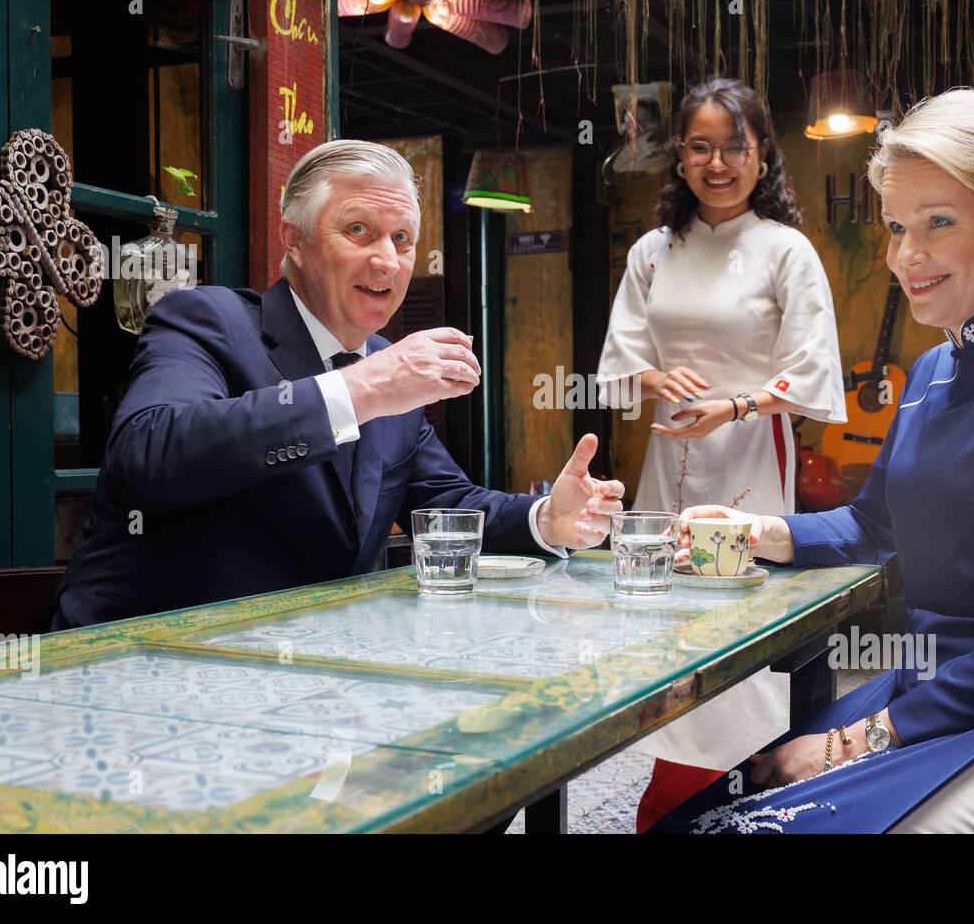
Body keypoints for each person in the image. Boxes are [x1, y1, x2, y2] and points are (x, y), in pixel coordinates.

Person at [650, 88, 974, 834]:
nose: (906, 255)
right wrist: (752, 533)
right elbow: (875, 525)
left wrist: (855, 740)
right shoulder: (934, 369)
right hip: (942, 690)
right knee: (707, 816)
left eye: (939, 222)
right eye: (898, 226)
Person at [53, 140, 624, 629]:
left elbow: (449, 503)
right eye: (358, 231)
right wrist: (363, 388)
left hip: (307, 667)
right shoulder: (208, 319)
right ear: (294, 240)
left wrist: (546, 518)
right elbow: (147, 452)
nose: (387, 260)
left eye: (402, 239)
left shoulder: (386, 370)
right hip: (142, 656)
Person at [595, 77, 846, 830]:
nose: (717, 163)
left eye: (734, 147)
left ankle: (743, 781)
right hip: (667, 456)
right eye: (699, 147)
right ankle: (673, 778)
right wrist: (652, 378)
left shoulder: (785, 250)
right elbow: (617, 362)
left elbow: (812, 372)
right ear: (679, 156)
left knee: (739, 612)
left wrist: (735, 405)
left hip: (750, 453)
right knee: (665, 611)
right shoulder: (653, 251)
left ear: (762, 154)